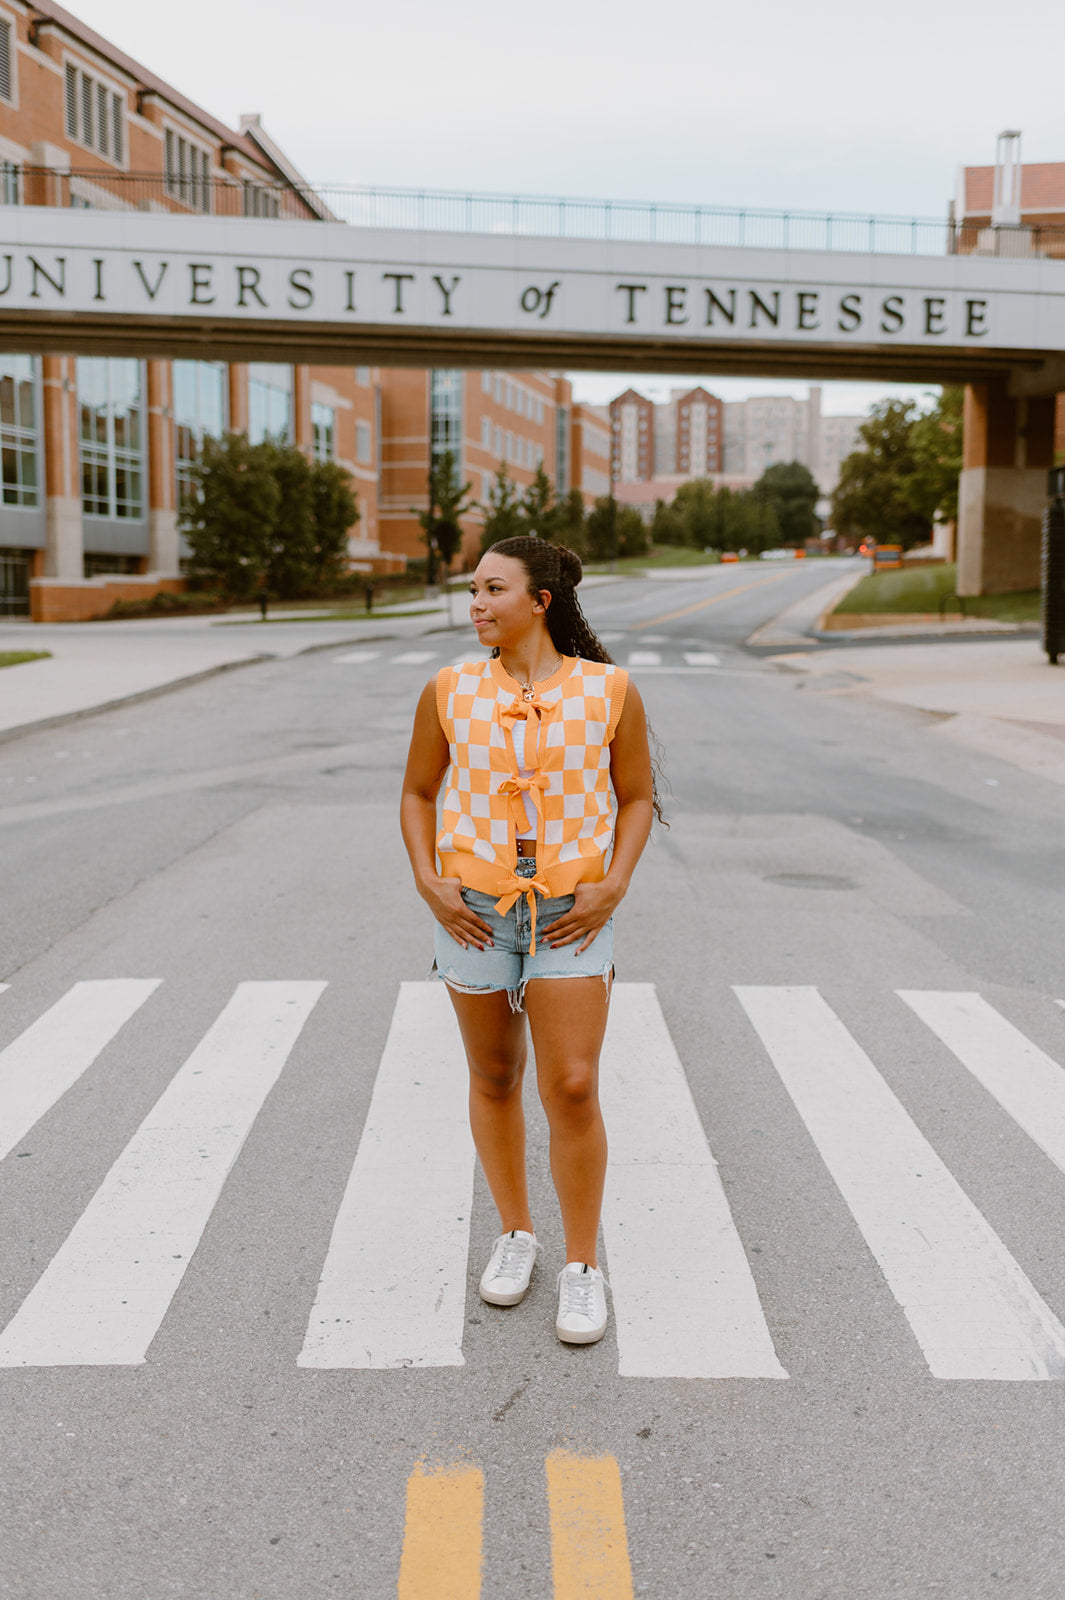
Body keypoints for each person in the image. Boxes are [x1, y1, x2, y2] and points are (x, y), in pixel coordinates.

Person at [400, 535, 656, 1345]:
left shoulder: (609, 690)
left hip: (570, 910)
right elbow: (415, 792)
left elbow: (637, 797)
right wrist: (428, 879)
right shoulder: (448, 689)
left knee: (572, 1085)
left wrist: (612, 884)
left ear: (539, 601)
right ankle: (516, 1233)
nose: (475, 604)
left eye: (492, 590)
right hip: (473, 907)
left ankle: (582, 1267)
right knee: (494, 1073)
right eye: (472, 591)